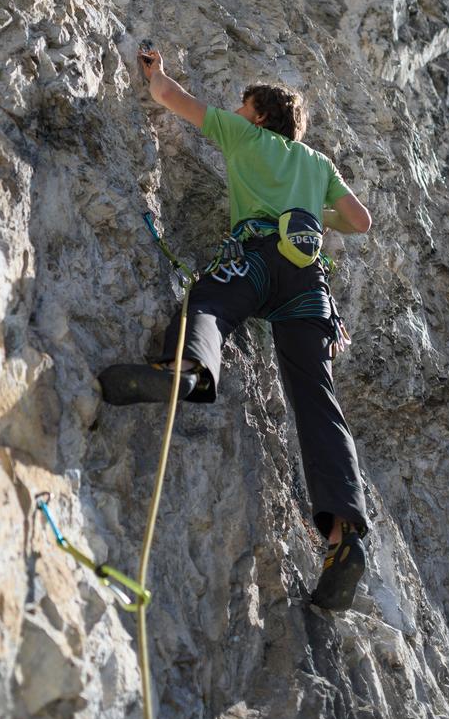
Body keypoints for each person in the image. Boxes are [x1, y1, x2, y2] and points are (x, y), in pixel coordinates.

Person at [99, 48, 372, 611]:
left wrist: (155, 73)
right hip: (307, 281)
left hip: (255, 257)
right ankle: (344, 538)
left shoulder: (245, 138)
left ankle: (192, 367)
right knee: (317, 400)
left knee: (210, 299)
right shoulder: (318, 166)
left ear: (260, 115)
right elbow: (361, 222)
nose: (235, 110)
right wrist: (312, 213)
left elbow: (173, 100)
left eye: (242, 105)